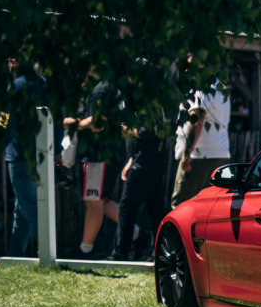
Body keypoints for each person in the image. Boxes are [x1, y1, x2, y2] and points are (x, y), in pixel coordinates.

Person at [66, 77, 131, 258]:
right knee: (101, 201)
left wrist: (75, 124)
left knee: (93, 203)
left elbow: (97, 123)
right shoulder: (113, 86)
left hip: (99, 154)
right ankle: (136, 233)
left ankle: (85, 250)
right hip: (109, 153)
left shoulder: (100, 90)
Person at [0, 58, 45, 258]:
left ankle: (47, 251)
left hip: (18, 154)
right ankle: (15, 253)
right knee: (22, 207)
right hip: (40, 152)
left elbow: (3, 121)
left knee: (29, 207)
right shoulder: (43, 83)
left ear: (14, 63)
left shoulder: (14, 87)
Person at [110, 110, 168, 261]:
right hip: (149, 164)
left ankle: (121, 252)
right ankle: (156, 252)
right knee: (155, 211)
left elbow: (148, 132)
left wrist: (127, 130)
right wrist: (130, 161)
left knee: (126, 207)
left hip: (144, 166)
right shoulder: (150, 101)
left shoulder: (148, 103)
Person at [172, 62, 231, 207]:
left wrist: (187, 153)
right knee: (209, 208)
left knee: (181, 205)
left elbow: (196, 119)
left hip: (198, 157)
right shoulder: (221, 88)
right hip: (220, 154)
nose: (185, 70)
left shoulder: (200, 89)